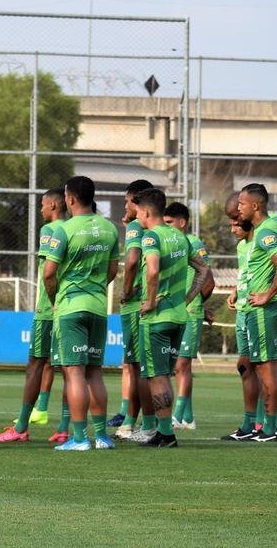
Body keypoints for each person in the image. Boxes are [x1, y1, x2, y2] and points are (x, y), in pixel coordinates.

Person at [43, 176, 121, 451]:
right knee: (95, 373)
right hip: (98, 307)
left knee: (74, 373)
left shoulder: (63, 230)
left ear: (71, 198)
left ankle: (78, 439)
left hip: (70, 306)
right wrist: (96, 286)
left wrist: (55, 298)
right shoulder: (109, 229)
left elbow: (49, 273)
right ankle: (101, 436)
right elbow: (113, 270)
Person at [133, 187, 210, 448]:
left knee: (157, 376)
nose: (137, 218)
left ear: (144, 212)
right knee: (164, 373)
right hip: (179, 316)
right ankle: (164, 432)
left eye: (137, 213)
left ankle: (165, 433)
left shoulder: (151, 238)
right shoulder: (180, 238)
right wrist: (187, 298)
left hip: (156, 318)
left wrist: (151, 301)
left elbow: (152, 271)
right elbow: (202, 268)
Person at [0, 188, 67, 445]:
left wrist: (52, 301)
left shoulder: (50, 231)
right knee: (70, 369)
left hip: (49, 310)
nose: (41, 210)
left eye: (43, 205)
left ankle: (22, 426)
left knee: (35, 364)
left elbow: (49, 272)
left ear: (55, 205)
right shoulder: (74, 228)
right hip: (69, 307)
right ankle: (65, 427)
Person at [235, 183, 277, 443]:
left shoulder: (266, 231)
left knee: (267, 366)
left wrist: (267, 295)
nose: (239, 208)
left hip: (263, 310)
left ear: (255, 205)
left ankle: (270, 428)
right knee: (261, 365)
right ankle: (265, 427)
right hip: (256, 308)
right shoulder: (260, 231)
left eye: (241, 203)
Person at [163, 202, 216, 431]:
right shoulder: (169, 243)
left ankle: (176, 415)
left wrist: (197, 304)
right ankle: (188, 417)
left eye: (169, 223)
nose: (166, 227)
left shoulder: (194, 244)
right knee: (177, 365)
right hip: (174, 311)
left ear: (182, 223)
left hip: (189, 312)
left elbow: (209, 281)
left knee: (182, 365)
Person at [115, 179, 156, 442]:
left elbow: (131, 261)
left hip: (135, 304)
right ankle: (136, 420)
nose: (125, 206)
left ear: (138, 202)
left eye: (128, 201)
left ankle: (133, 423)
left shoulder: (135, 227)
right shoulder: (155, 230)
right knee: (141, 364)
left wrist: (127, 290)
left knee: (134, 365)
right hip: (153, 302)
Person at [223, 214, 262, 441]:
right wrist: (236, 291)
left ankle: (264, 423)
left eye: (236, 224)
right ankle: (249, 424)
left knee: (261, 366)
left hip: (257, 310)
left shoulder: (263, 240)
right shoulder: (241, 247)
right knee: (244, 366)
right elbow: (245, 273)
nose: (232, 229)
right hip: (242, 310)